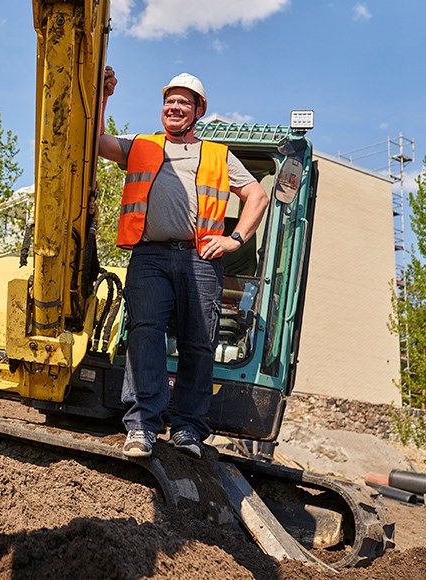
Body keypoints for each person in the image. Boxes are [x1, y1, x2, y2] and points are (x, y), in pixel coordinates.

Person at [98, 69, 269, 459]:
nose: (174, 107)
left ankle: (189, 429)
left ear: (198, 111)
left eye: (183, 102)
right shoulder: (141, 145)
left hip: (200, 257)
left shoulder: (217, 154)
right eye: (169, 101)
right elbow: (95, 143)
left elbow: (256, 196)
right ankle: (142, 425)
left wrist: (234, 238)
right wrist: (104, 96)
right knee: (145, 332)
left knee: (199, 342)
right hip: (151, 255)